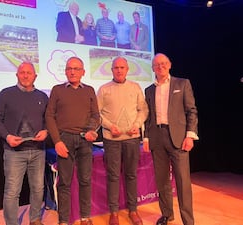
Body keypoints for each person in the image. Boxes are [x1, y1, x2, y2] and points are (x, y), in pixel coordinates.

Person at [0, 62, 49, 225]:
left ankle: (35, 219)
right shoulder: (6, 94)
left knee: (38, 189)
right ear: (17, 75)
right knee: (12, 192)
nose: (25, 75)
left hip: (38, 151)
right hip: (13, 152)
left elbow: (49, 120)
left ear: (35, 76)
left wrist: (46, 131)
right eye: (22, 72)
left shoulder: (43, 97)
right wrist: (7, 136)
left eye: (29, 73)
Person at [143, 53, 199, 225]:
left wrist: (190, 135)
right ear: (152, 68)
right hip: (157, 137)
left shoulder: (182, 84)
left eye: (163, 63)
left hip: (178, 138)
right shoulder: (149, 90)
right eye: (156, 65)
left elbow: (192, 111)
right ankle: (167, 215)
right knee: (162, 180)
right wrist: (146, 138)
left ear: (169, 65)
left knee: (182, 182)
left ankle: (188, 220)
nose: (160, 67)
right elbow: (148, 117)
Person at [45, 57, 100, 225]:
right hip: (65, 140)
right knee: (65, 183)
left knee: (85, 180)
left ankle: (85, 217)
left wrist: (91, 130)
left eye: (76, 69)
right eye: (69, 68)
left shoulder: (90, 90)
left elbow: (95, 116)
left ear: (83, 72)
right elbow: (49, 116)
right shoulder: (57, 89)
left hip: (85, 140)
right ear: (65, 71)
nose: (72, 71)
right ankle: (63, 220)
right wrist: (57, 141)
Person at [97, 57, 149, 225]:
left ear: (127, 69)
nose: (119, 70)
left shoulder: (135, 87)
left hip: (132, 139)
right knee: (113, 176)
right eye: (116, 67)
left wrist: (137, 124)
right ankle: (114, 212)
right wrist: (109, 126)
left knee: (131, 175)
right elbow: (96, 114)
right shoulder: (104, 89)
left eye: (122, 67)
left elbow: (143, 109)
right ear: (111, 70)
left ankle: (133, 210)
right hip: (111, 140)